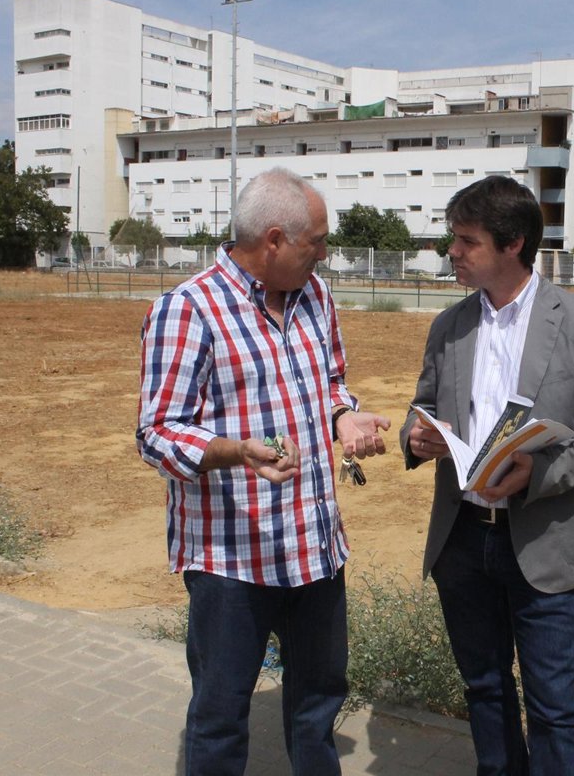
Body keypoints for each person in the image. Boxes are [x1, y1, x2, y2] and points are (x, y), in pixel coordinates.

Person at [136, 167, 389, 775]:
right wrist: (235, 451)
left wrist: (343, 416)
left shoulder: (315, 296)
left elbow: (331, 381)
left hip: (314, 546)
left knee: (318, 704)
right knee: (221, 716)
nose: (325, 255)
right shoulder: (189, 311)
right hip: (233, 560)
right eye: (317, 242)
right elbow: (157, 433)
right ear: (274, 240)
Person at [401, 175, 574, 775]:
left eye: (467, 241)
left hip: (543, 539)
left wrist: (540, 470)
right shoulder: (449, 325)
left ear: (513, 244)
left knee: (552, 703)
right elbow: (423, 403)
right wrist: (416, 437)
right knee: (484, 688)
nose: (452, 251)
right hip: (462, 538)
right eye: (453, 238)